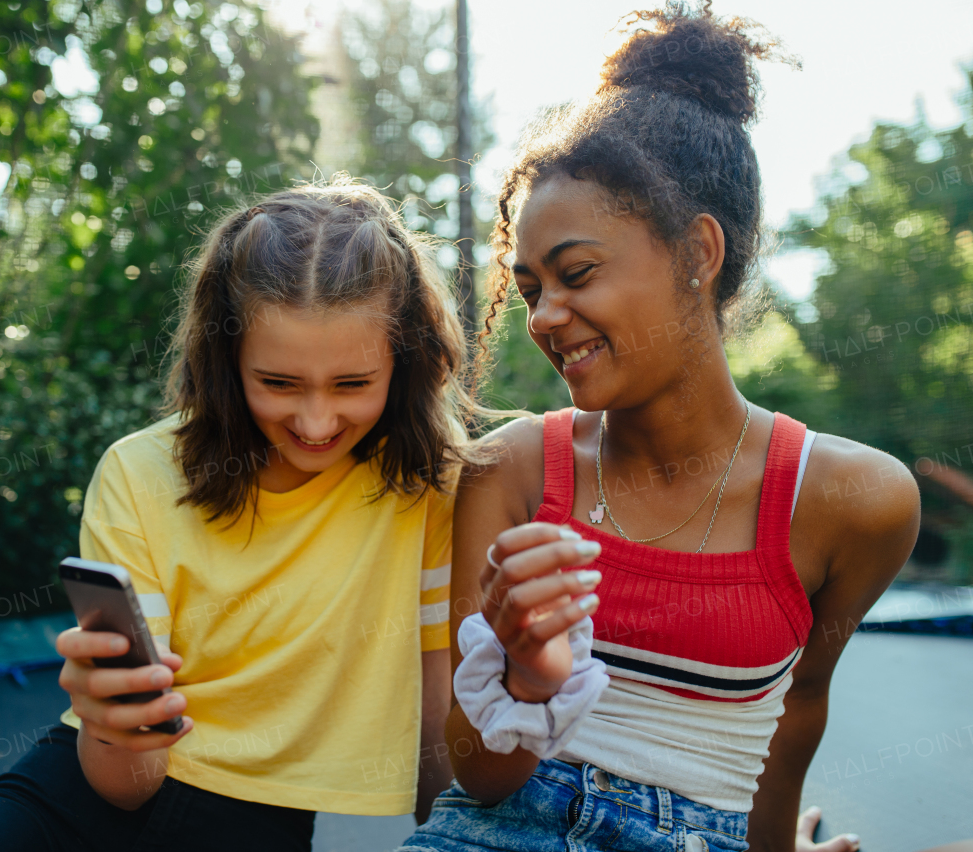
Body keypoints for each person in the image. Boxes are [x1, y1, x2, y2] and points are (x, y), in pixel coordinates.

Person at [397, 4, 921, 852]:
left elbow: (794, 712)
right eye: (530, 288)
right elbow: (478, 775)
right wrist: (527, 673)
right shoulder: (512, 472)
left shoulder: (856, 500)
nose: (545, 315)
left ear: (698, 254)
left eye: (576, 273)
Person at [0, 179, 506, 851]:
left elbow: (435, 705)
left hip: (263, 814)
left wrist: (451, 837)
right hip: (110, 776)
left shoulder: (433, 488)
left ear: (402, 364)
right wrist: (114, 720)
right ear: (228, 362)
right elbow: (128, 783)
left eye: (353, 384)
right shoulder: (139, 474)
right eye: (278, 383)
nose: (316, 422)